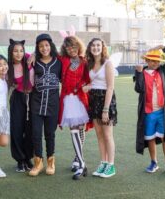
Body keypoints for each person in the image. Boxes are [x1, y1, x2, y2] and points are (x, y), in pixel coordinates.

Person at [134, 45, 165, 176]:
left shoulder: (162, 71)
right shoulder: (142, 73)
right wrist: (138, 73)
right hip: (148, 112)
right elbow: (138, 89)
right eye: (151, 60)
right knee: (150, 137)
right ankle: (153, 162)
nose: (155, 63)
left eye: (157, 61)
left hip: (162, 111)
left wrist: (163, 47)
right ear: (147, 61)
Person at [28, 33, 62, 176]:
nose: (44, 48)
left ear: (51, 46)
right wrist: (30, 60)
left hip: (53, 104)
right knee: (36, 134)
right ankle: (38, 162)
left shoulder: (58, 62)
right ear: (37, 48)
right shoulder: (34, 62)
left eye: (46, 45)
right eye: (41, 46)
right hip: (36, 104)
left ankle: (50, 162)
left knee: (50, 134)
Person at [84, 38, 117, 178]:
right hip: (94, 99)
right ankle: (103, 162)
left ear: (102, 47)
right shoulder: (90, 63)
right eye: (93, 45)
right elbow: (94, 82)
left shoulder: (108, 63)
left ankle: (111, 165)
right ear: (90, 48)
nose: (96, 48)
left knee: (108, 135)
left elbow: (110, 87)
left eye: (98, 45)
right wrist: (88, 86)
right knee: (99, 135)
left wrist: (105, 109)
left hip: (106, 101)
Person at [58, 36, 90, 180]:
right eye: (68, 47)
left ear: (78, 46)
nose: (71, 50)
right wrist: (32, 54)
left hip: (80, 98)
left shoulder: (84, 61)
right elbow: (48, 53)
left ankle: (78, 160)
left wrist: (83, 85)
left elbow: (88, 78)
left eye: (73, 46)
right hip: (68, 98)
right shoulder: (62, 60)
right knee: (74, 129)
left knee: (80, 128)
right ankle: (81, 162)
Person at [7, 39, 34, 172]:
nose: (19, 53)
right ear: (11, 52)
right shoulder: (8, 66)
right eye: (15, 51)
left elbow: (40, 53)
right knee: (17, 129)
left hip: (32, 98)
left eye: (21, 50)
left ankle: (28, 157)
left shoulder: (29, 58)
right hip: (18, 98)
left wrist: (33, 54)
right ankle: (20, 160)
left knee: (30, 130)